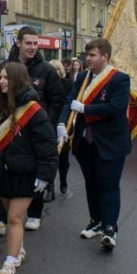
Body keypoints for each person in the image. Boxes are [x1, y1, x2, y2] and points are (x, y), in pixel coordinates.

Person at [0, 26, 63, 233]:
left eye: (36, 43)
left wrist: (48, 123)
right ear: (18, 43)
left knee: (31, 173)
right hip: (7, 127)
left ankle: (35, 214)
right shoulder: (6, 66)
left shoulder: (46, 70)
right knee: (6, 170)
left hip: (35, 126)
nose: (33, 47)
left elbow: (56, 101)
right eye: (28, 43)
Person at [58, 38, 131, 248]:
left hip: (110, 142)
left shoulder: (119, 79)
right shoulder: (82, 77)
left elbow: (115, 108)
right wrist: (62, 123)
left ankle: (110, 228)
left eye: (92, 55)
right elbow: (70, 101)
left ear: (105, 56)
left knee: (108, 185)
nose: (87, 58)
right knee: (92, 183)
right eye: (87, 54)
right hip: (85, 142)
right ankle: (96, 222)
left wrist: (85, 109)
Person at [0, 62, 57, 274]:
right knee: (12, 220)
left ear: (18, 80)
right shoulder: (0, 107)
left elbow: (47, 144)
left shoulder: (34, 111)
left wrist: (45, 176)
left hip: (26, 174)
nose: (1, 81)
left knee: (15, 217)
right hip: (4, 173)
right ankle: (18, 250)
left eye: (6, 78)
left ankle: (9, 265)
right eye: (0, 77)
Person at [50, 59, 72, 193]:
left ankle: (63, 180)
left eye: (57, 69)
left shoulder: (67, 84)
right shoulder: (46, 84)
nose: (54, 72)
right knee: (49, 158)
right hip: (48, 124)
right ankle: (50, 187)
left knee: (63, 157)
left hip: (63, 124)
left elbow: (68, 104)